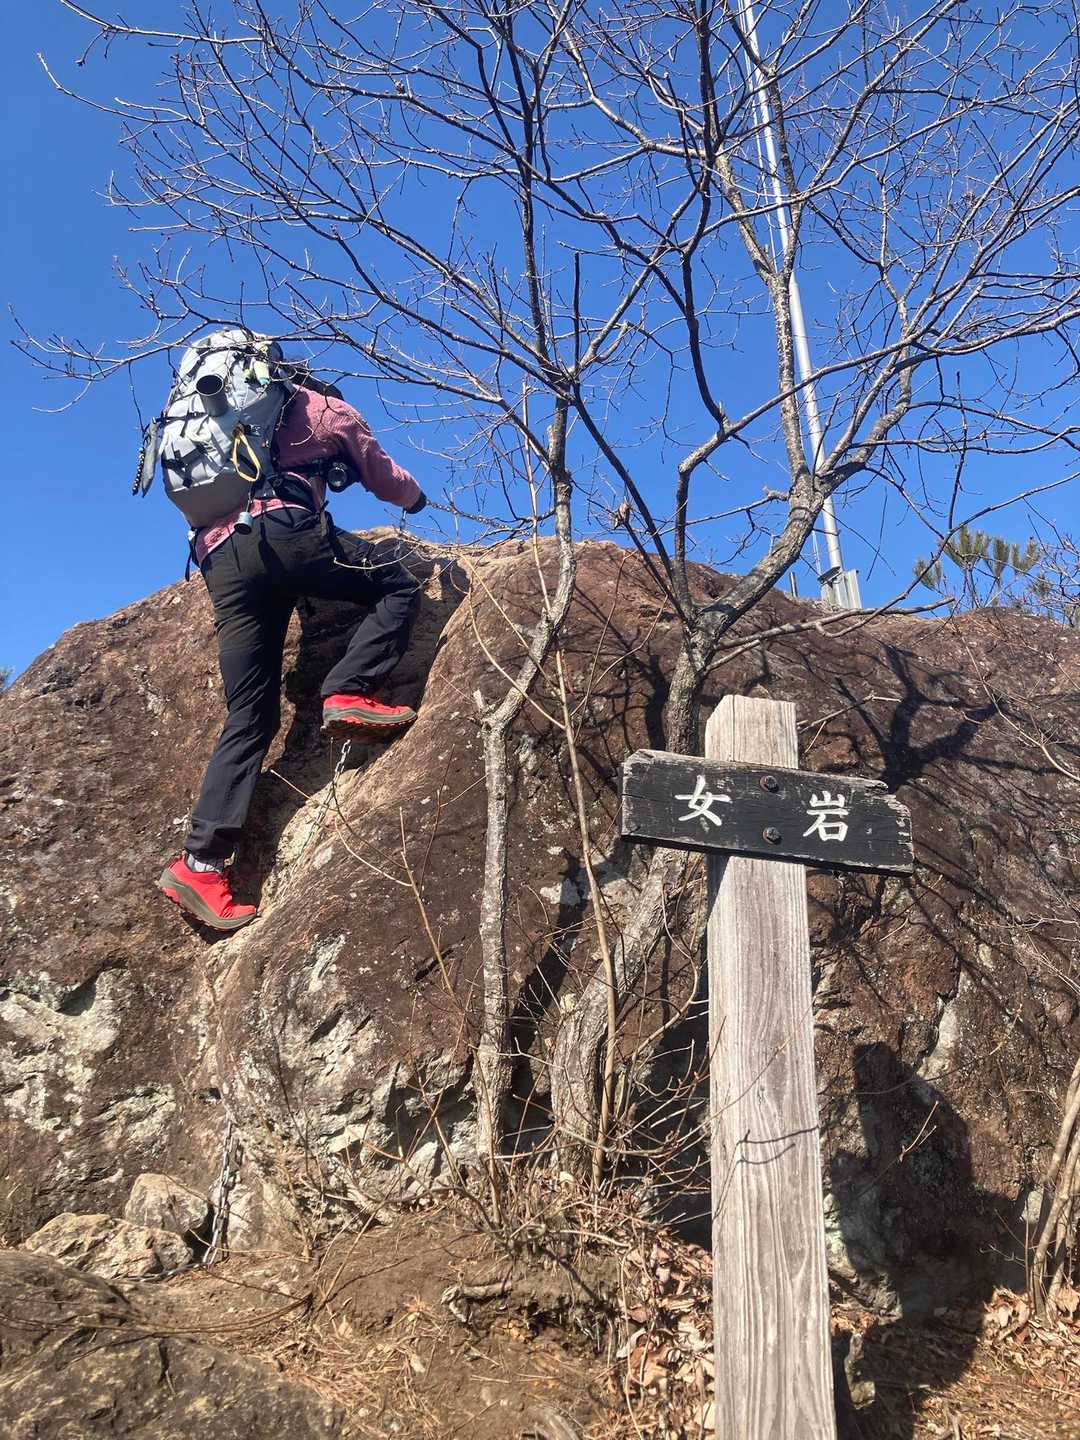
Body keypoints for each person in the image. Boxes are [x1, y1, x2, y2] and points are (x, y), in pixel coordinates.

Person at [157, 376, 427, 931]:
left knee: (249, 715)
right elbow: (384, 478)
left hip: (220, 561)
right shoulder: (324, 406)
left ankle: (199, 864)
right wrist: (417, 498)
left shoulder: (207, 423)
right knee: (396, 585)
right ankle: (349, 689)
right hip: (285, 532)